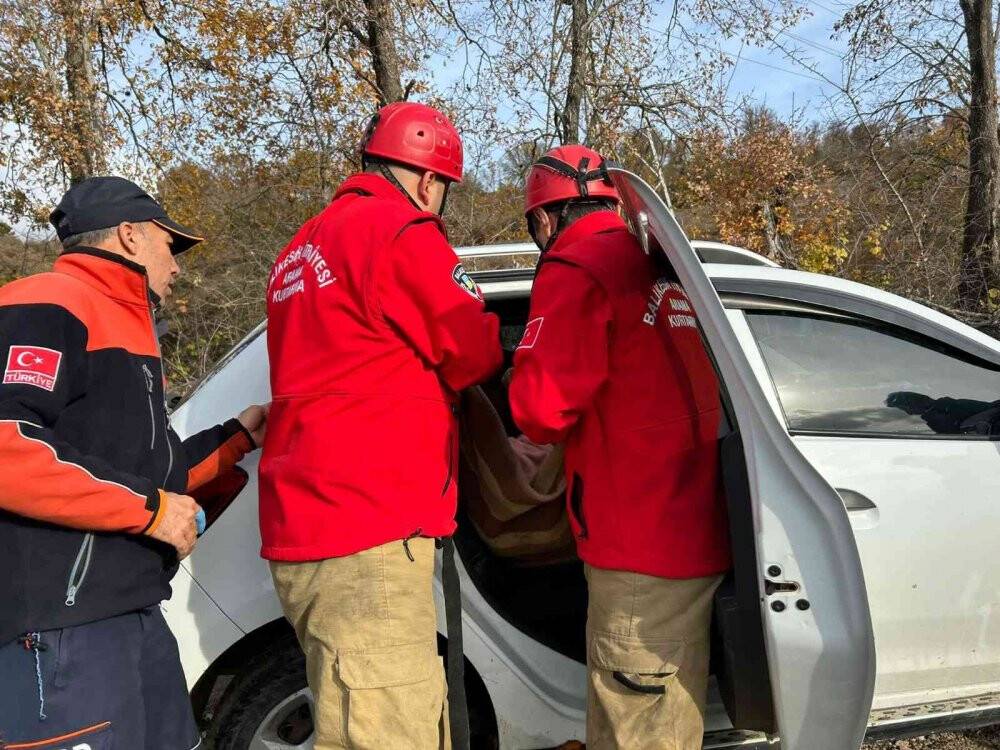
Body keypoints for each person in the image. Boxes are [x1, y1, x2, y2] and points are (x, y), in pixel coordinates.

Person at [259, 101, 503, 750]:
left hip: (313, 526)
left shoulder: (297, 251)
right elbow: (474, 350)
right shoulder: (398, 231)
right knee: (393, 734)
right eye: (443, 191)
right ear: (428, 180)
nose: (440, 203)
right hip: (366, 533)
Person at [0, 176, 267, 749]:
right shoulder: (44, 302)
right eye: (171, 246)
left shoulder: (130, 326)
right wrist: (151, 512)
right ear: (128, 235)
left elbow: (154, 472)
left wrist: (240, 437)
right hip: (61, 630)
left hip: (135, 613)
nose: (177, 266)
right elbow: (7, 450)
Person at [508, 146, 731, 749]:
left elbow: (539, 411)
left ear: (546, 220)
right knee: (666, 716)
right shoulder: (663, 264)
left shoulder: (575, 266)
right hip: (696, 527)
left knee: (636, 729)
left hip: (637, 546)